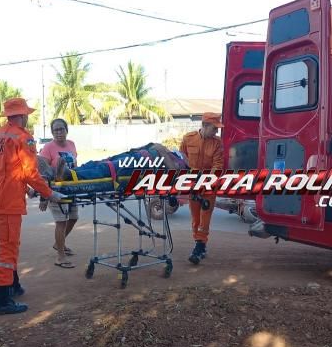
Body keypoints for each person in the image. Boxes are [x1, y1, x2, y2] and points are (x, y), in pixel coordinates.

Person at [0, 98, 64, 315]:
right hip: (6, 200)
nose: (27, 117)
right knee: (8, 248)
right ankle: (2, 300)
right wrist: (49, 193)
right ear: (21, 115)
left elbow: (0, 168)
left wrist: (24, 187)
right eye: (26, 114)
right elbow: (30, 172)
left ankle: (13, 286)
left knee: (6, 242)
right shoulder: (23, 138)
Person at [180, 112, 224, 265]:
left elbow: (218, 165)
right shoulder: (188, 139)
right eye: (214, 128)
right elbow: (182, 161)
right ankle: (200, 245)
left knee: (205, 218)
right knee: (195, 218)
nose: (216, 131)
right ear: (205, 126)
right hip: (193, 185)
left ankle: (198, 248)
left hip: (209, 186)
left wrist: (207, 182)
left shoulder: (217, 143)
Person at [38, 118, 79, 268]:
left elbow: (75, 165)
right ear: (52, 132)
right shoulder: (48, 148)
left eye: (61, 129)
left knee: (74, 218)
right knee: (61, 222)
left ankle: (58, 244)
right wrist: (44, 196)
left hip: (71, 187)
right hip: (55, 189)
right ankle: (60, 257)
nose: (59, 132)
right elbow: (42, 173)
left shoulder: (72, 144)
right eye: (56, 130)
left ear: (66, 130)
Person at [51, 142, 187, 182]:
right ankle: (68, 172)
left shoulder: (184, 166)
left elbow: (172, 172)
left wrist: (161, 150)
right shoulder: (181, 154)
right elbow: (156, 147)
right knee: (98, 163)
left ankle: (69, 174)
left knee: (106, 168)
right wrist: (158, 148)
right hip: (136, 155)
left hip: (140, 164)